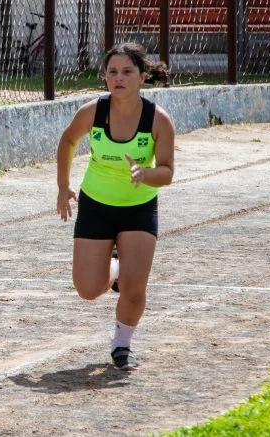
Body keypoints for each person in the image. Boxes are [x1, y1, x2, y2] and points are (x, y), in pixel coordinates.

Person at [56, 42, 175, 371]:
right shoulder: (93, 112)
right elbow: (67, 140)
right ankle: (117, 266)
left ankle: (122, 345)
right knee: (88, 289)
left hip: (138, 208)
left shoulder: (158, 120)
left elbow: (167, 172)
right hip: (96, 205)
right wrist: (63, 187)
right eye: (112, 72)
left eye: (126, 72)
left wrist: (146, 173)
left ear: (142, 76)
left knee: (135, 290)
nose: (118, 78)